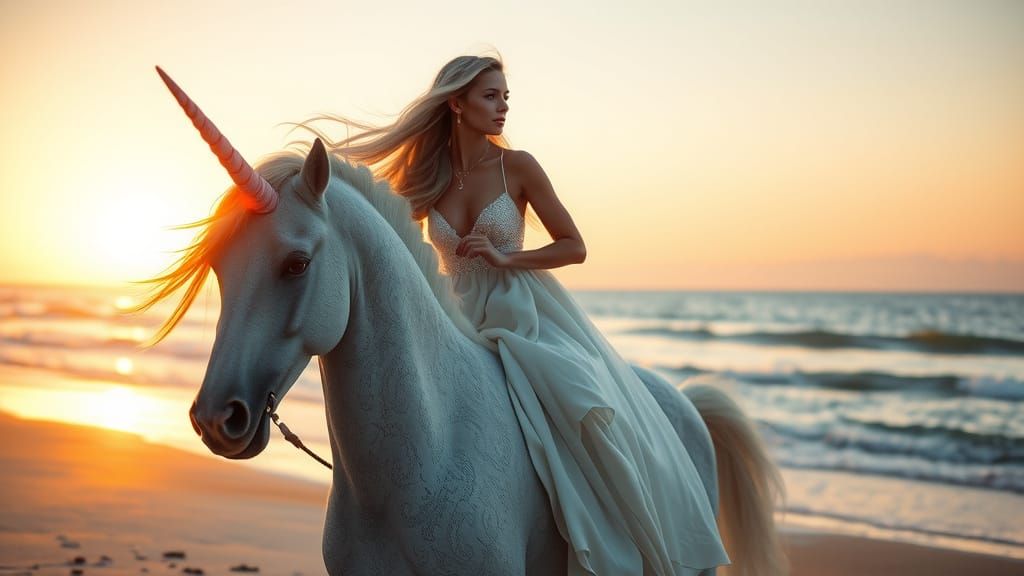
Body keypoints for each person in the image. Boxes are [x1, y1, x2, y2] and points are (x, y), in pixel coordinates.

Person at [304, 54, 731, 575]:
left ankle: (617, 529)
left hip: (522, 310)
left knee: (573, 399)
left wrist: (510, 258)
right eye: (491, 95)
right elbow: (383, 241)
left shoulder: (519, 166)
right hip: (456, 313)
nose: (503, 106)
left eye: (506, 96)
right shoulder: (428, 179)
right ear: (457, 103)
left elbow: (574, 246)